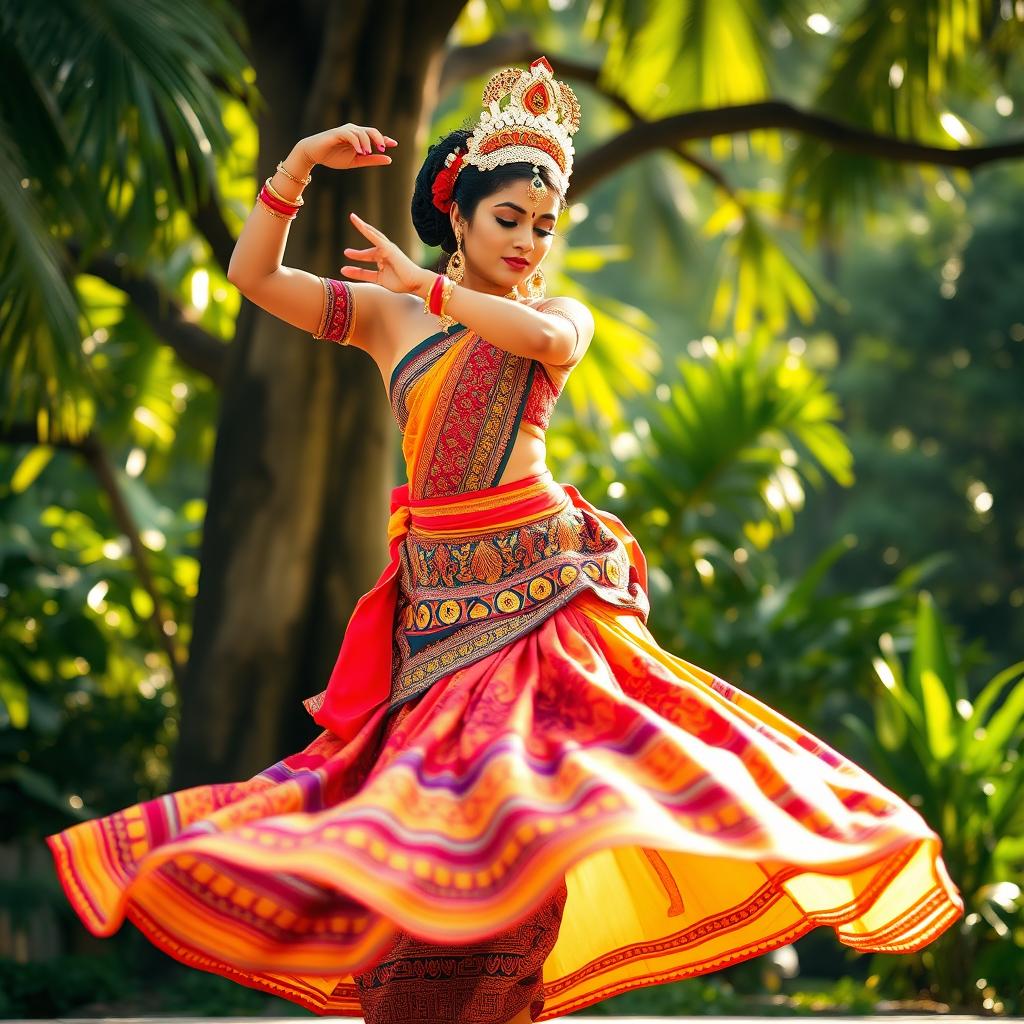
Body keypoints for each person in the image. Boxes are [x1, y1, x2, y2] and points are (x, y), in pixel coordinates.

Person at [45, 56, 963, 1024]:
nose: (527, 242)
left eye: (542, 225)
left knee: (525, 834)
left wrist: (434, 294)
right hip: (434, 623)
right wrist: (300, 164)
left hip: (536, 608)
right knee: (416, 846)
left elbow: (548, 347)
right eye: (507, 219)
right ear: (460, 214)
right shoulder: (391, 319)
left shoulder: (549, 316)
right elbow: (251, 276)